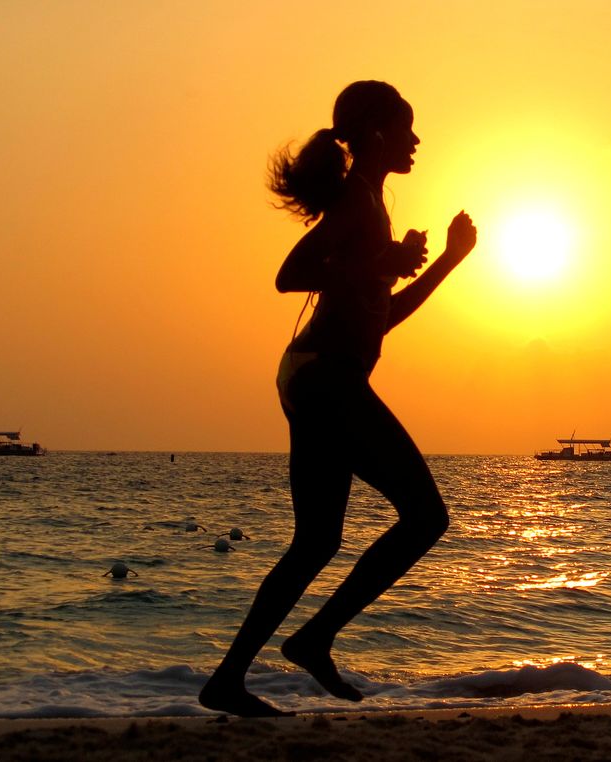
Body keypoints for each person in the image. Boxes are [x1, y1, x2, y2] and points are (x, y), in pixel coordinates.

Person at [199, 81, 477, 717]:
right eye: (405, 128)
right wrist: (381, 258)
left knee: (317, 542)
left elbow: (382, 317)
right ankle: (316, 637)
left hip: (318, 374)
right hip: (325, 376)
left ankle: (228, 681)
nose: (415, 140)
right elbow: (288, 275)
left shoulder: (373, 203)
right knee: (426, 516)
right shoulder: (357, 202)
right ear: (376, 132)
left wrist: (444, 264)